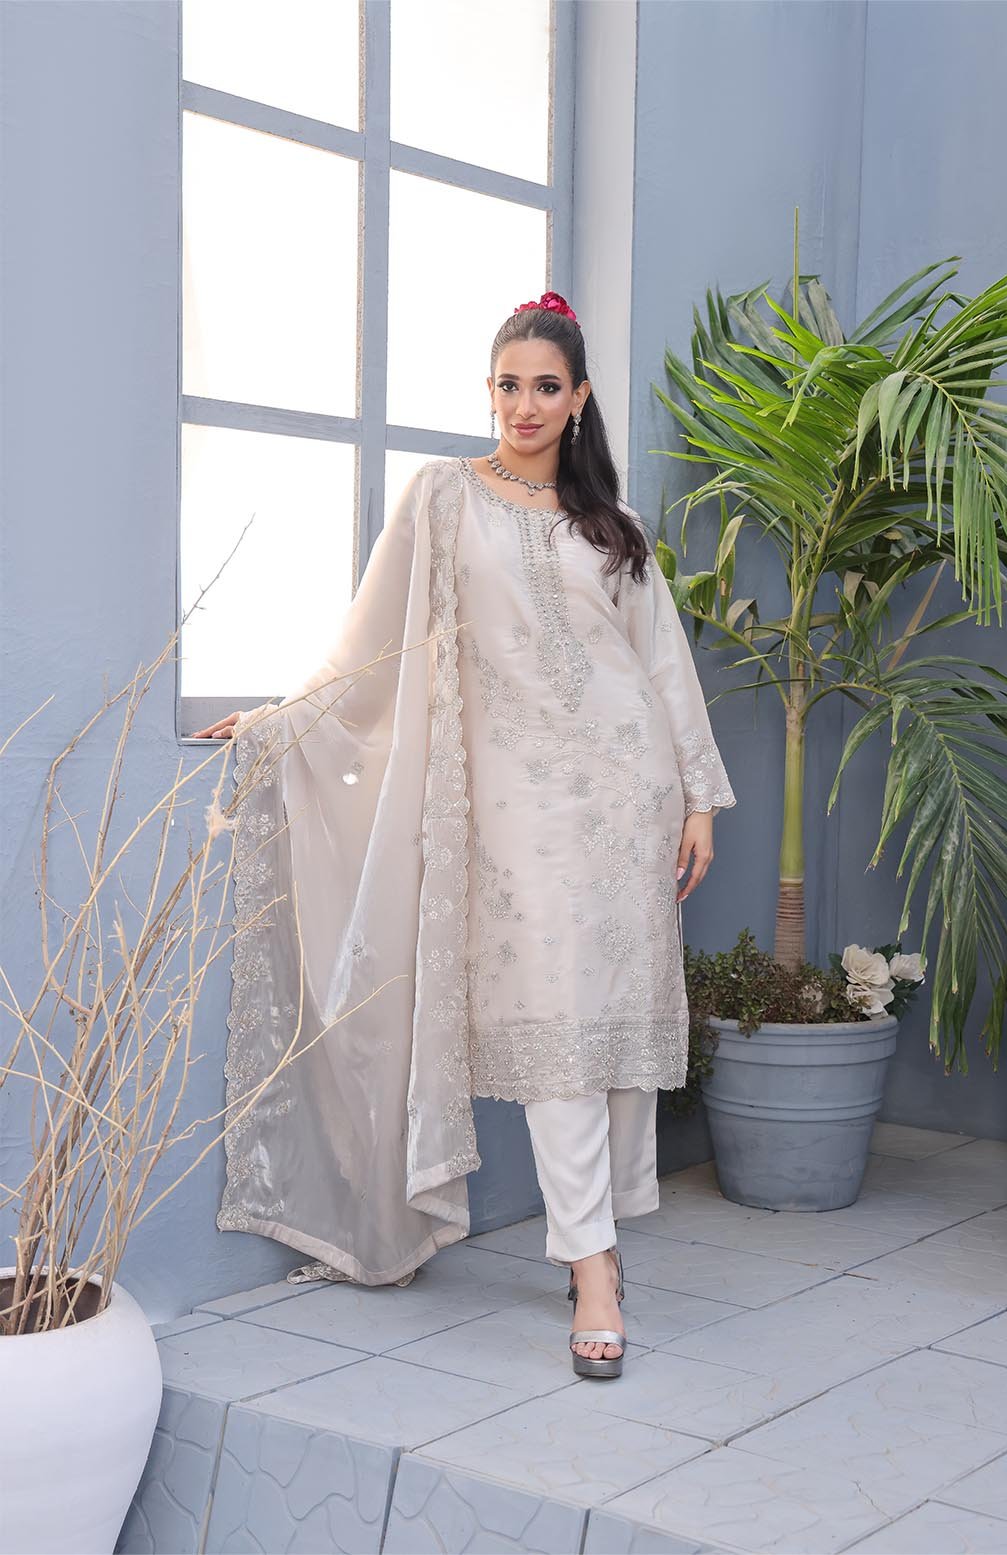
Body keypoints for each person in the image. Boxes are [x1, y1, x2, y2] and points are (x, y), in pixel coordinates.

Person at [192, 290, 736, 1380]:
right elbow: (372, 638)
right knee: (553, 1032)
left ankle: (595, 1249)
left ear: (578, 399)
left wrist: (694, 799)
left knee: (605, 1035)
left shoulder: (614, 529)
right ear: (488, 390)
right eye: (507, 385)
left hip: (622, 803)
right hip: (512, 813)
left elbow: (661, 668)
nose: (524, 405)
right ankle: (591, 1265)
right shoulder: (443, 498)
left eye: (546, 387)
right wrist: (287, 716)